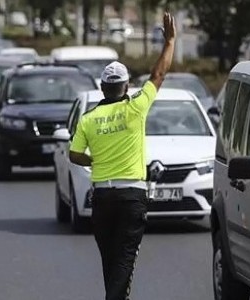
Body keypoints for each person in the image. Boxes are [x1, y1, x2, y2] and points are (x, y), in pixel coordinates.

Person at [68, 12, 176, 300]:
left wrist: (96, 161)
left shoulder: (89, 118)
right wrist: (170, 41)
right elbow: (158, 74)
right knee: (125, 259)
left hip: (103, 197)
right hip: (132, 197)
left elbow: (74, 154)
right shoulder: (136, 107)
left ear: (102, 87)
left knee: (111, 259)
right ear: (126, 86)